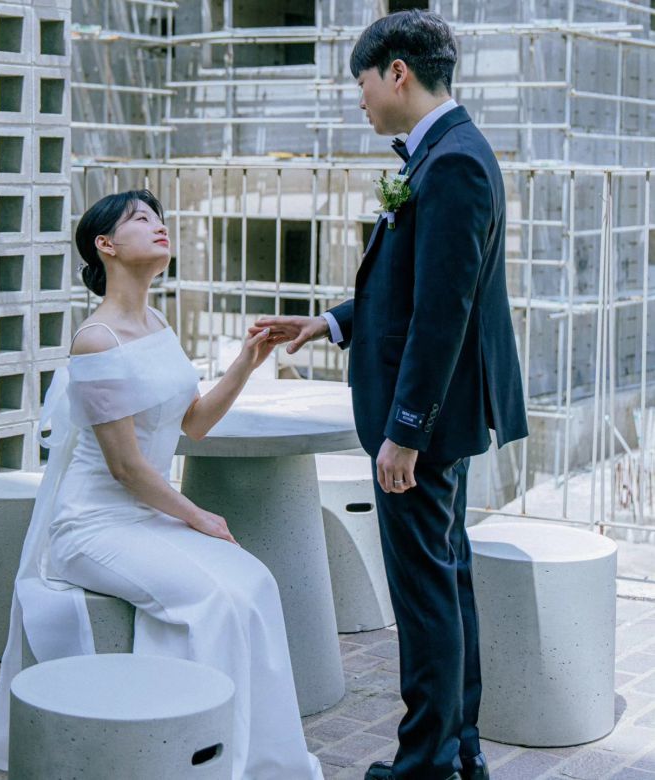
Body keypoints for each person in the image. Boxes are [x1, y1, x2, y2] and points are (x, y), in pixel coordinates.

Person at [252, 10, 528, 780]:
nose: (361, 101)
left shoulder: (453, 164)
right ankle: (458, 750)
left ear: (396, 72)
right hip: (439, 416)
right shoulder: (443, 152)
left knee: (425, 595)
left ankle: (426, 763)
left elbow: (445, 314)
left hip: (426, 424)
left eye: (363, 84)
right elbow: (413, 289)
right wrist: (330, 323)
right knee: (444, 579)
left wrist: (405, 431)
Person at [0, 189, 323, 780]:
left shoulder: (157, 321)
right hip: (92, 526)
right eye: (140, 219)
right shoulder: (96, 340)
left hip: (145, 516)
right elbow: (126, 469)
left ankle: (262, 758)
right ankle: (194, 761)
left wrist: (244, 362)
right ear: (105, 245)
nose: (160, 226)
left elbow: (194, 423)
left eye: (160, 217)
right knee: (211, 599)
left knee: (255, 582)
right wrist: (199, 517)